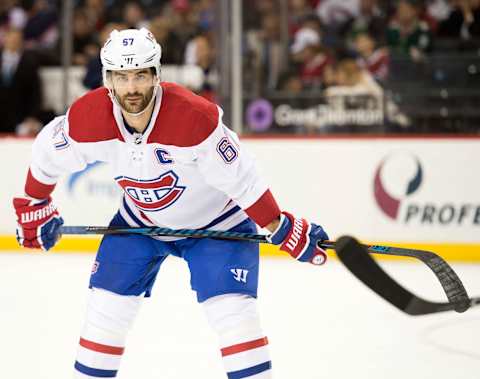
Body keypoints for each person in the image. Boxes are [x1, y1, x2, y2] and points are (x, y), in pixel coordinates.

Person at [12, 28, 329, 379]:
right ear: (108, 79)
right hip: (139, 222)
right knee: (104, 312)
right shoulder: (87, 118)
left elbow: (243, 179)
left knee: (235, 318)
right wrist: (34, 201)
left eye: (139, 76)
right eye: (121, 76)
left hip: (216, 225)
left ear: (155, 75)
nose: (131, 88)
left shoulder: (194, 118)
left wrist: (280, 225)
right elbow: (46, 154)